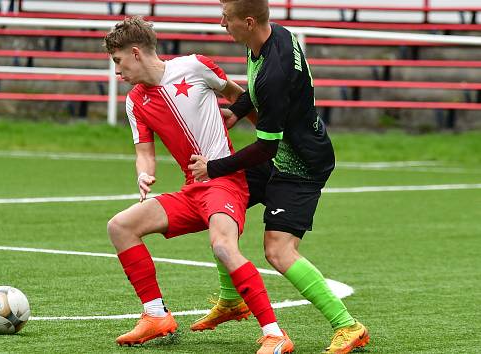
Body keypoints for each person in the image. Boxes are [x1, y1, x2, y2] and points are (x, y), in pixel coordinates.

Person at [187, 1, 370, 353]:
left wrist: (213, 167)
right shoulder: (274, 37)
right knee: (222, 202)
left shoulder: (274, 71)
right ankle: (231, 301)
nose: (222, 22)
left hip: (299, 164)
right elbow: (261, 96)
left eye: (227, 17)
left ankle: (349, 326)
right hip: (285, 153)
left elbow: (265, 149)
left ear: (249, 21)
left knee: (279, 251)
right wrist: (236, 112)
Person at [104, 16, 294, 354]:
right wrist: (143, 173)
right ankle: (155, 315)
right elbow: (144, 153)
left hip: (225, 182)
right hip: (192, 190)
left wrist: (272, 141)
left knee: (222, 246)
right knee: (120, 226)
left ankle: (274, 334)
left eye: (118, 61)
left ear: (135, 53)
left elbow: (241, 97)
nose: (117, 72)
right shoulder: (135, 101)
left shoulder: (195, 66)